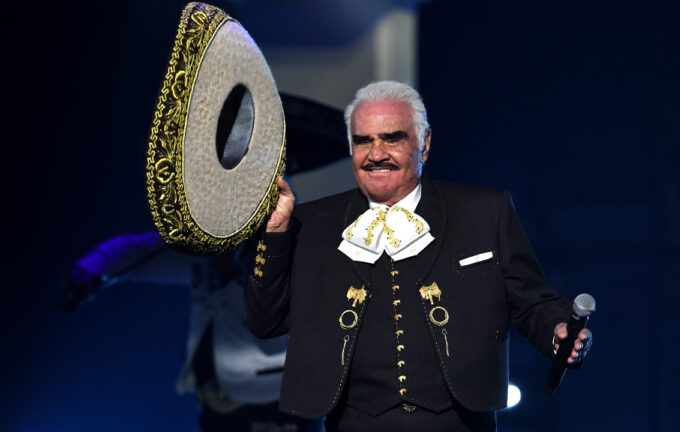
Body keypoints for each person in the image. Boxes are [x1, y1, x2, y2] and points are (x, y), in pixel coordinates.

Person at [245, 81, 593, 431]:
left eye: (392, 139)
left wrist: (557, 330)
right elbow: (266, 321)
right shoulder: (312, 224)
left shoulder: (484, 212)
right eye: (363, 141)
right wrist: (275, 234)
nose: (376, 154)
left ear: (424, 145)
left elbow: (532, 301)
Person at [63, 233, 320, 432]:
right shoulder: (204, 249)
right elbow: (136, 250)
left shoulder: (288, 252)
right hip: (220, 410)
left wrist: (235, 276)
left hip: (281, 408)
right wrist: (90, 267)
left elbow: (281, 335)